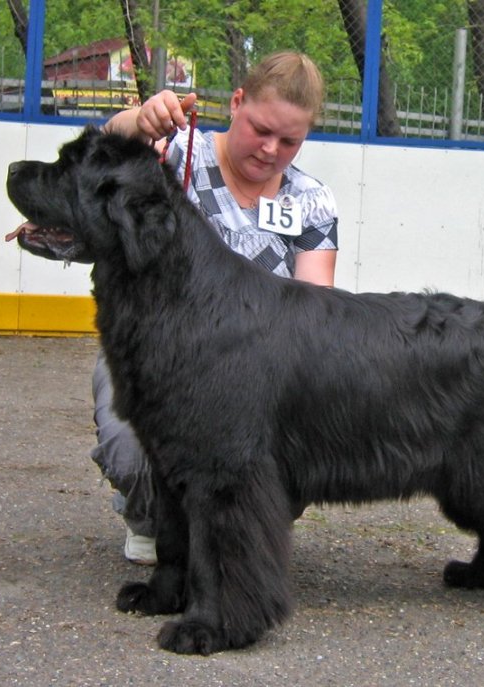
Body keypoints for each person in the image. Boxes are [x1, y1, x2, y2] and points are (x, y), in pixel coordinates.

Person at [92, 52, 339, 564]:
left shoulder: (313, 201)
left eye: (290, 141)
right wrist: (137, 122)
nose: (271, 150)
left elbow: (317, 309)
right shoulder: (176, 154)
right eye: (261, 129)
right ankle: (151, 521)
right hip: (161, 362)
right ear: (236, 103)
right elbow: (102, 156)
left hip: (254, 381)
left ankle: (235, 532)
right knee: (135, 454)